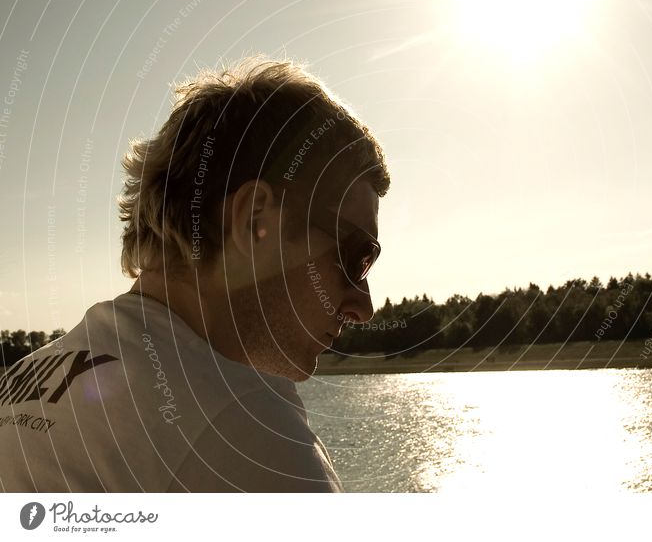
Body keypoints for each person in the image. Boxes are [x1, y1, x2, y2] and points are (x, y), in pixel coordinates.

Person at [0, 56, 390, 492]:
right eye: (354, 255)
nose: (363, 306)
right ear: (255, 221)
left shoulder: (21, 381)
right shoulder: (242, 433)